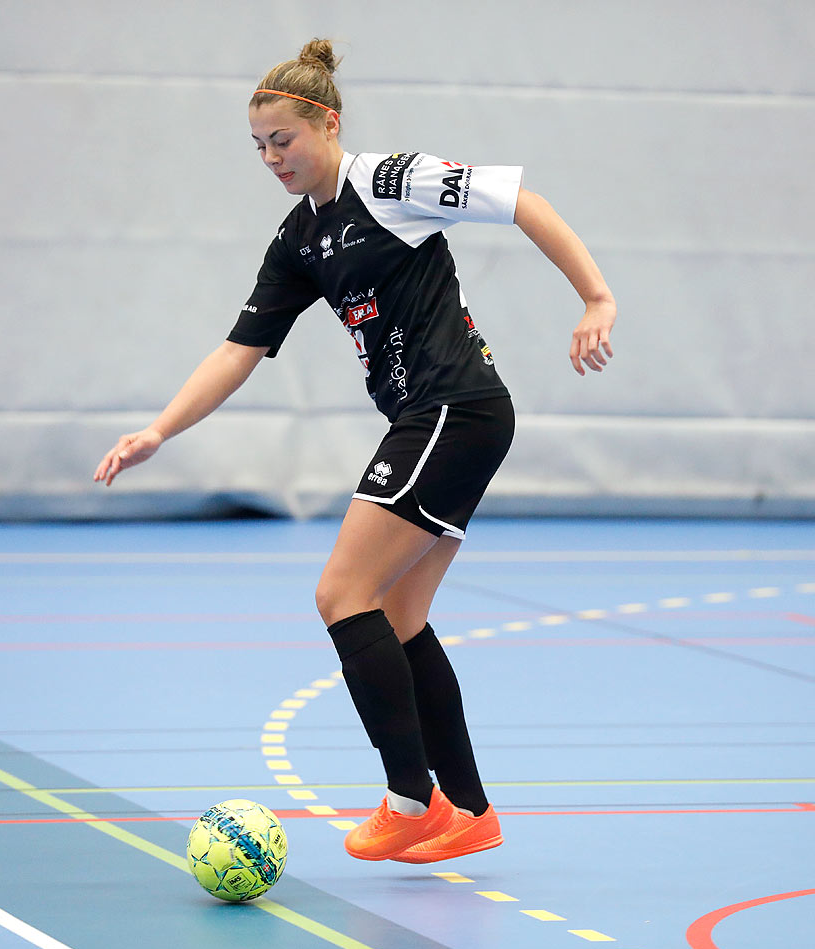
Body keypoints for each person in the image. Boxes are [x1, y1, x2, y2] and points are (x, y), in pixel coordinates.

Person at [94, 39, 615, 864]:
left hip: (455, 407)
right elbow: (239, 348)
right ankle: (468, 811)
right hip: (441, 419)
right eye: (258, 146)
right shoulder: (300, 239)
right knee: (400, 617)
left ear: (325, 124)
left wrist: (595, 295)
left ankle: (410, 799)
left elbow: (523, 201)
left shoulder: (391, 182)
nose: (270, 158)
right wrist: (161, 428)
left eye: (283, 141)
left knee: (341, 593)